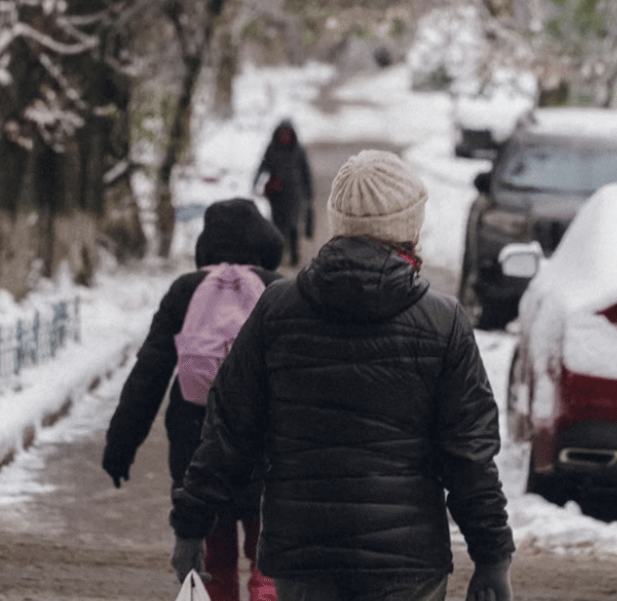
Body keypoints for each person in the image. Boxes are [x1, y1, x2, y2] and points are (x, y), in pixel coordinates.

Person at [171, 150, 515, 601]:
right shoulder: (443, 321)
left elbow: (229, 431)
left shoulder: (277, 310)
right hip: (407, 567)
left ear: (338, 221)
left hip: (302, 560)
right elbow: (469, 455)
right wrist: (492, 557)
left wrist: (192, 525)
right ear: (409, 225)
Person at [102, 198, 284, 601]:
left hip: (197, 453)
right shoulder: (278, 290)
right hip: (266, 453)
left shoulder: (186, 290)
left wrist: (121, 444)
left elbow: (149, 372)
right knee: (270, 564)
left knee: (210, 568)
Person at [254, 119, 314, 266]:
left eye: (287, 134)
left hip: (294, 194)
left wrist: (309, 193)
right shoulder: (272, 148)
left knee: (293, 224)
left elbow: (306, 172)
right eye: (282, 134)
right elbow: (263, 165)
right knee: (278, 225)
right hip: (276, 194)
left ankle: (294, 254)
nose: (284, 137)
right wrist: (256, 181)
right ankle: (280, 251)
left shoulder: (298, 150)